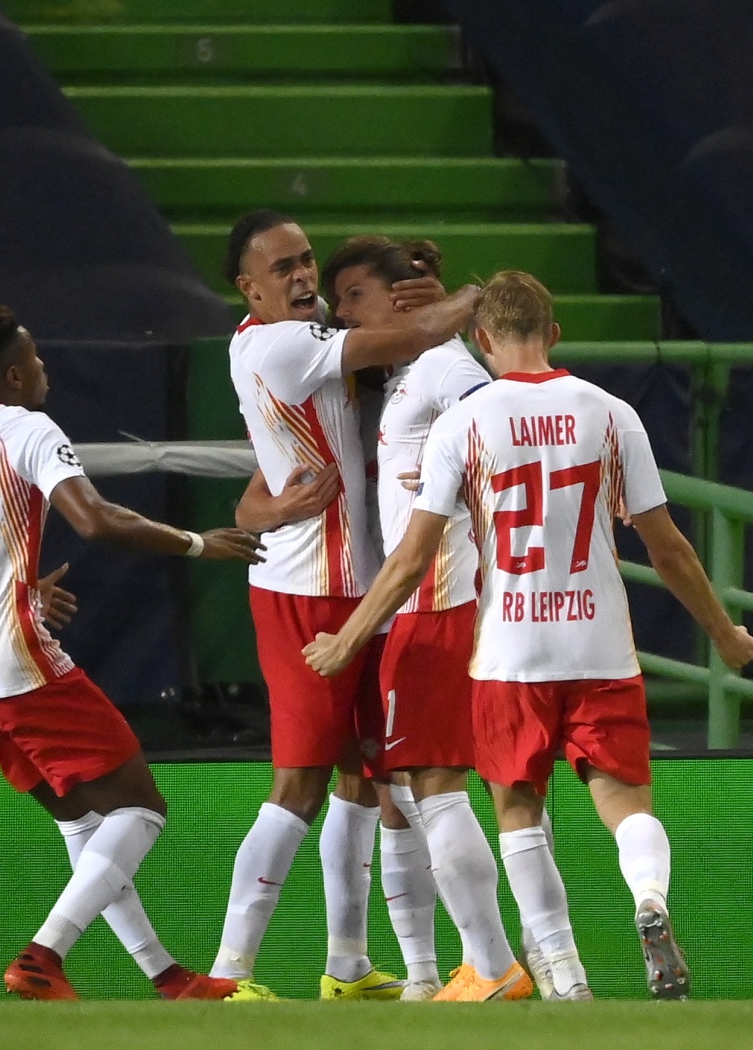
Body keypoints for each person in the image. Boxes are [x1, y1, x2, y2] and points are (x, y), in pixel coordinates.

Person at [304, 270, 753, 1001]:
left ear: (482, 341)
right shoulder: (611, 413)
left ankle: (564, 975)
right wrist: (724, 633)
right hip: (600, 643)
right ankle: (649, 897)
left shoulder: (465, 422)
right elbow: (667, 546)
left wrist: (348, 637)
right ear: (553, 333)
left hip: (510, 650)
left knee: (518, 810)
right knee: (627, 803)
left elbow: (413, 555)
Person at [0, 303, 264, 1001]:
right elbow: (95, 519)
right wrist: (199, 542)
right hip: (14, 662)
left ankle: (166, 974)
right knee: (141, 808)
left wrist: (17, 587)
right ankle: (41, 955)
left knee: (85, 820)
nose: (44, 370)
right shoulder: (27, 427)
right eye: (35, 360)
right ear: (11, 373)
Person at [213, 210, 479, 1001]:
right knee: (297, 782)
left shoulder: (296, 333)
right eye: (283, 269)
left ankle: (348, 965)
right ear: (247, 289)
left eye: (306, 263)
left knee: (367, 779)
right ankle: (230, 973)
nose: (301, 279)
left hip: (359, 591)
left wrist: (251, 510)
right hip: (307, 594)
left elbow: (263, 485)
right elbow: (402, 339)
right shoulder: (280, 345)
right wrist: (471, 293)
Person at [323, 236, 532, 1002]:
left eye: (353, 297)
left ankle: (493, 961)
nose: (341, 314)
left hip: (446, 601)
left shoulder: (446, 368)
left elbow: (504, 448)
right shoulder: (408, 375)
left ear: (401, 299)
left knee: (437, 784)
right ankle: (478, 964)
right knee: (420, 787)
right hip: (427, 606)